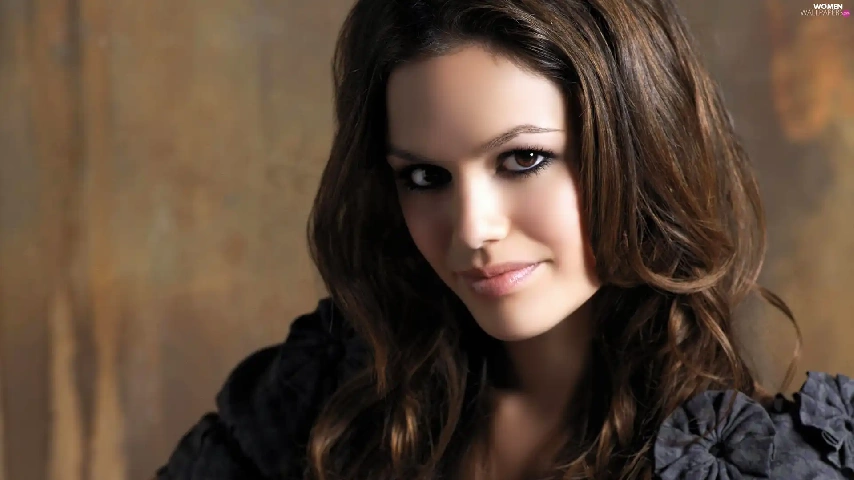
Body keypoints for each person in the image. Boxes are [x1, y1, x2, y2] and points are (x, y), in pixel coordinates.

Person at [155, 0, 853, 479]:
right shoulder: (322, 403)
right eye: (425, 176)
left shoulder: (771, 464)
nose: (472, 229)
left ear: (638, 150)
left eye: (523, 159)